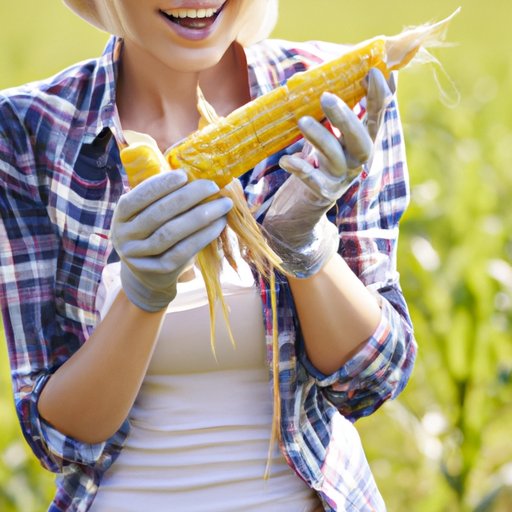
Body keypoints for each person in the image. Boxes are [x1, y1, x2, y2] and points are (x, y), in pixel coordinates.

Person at [0, 1, 417, 510]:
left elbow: (373, 380)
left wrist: (303, 245)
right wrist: (142, 295)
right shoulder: (25, 132)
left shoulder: (339, 101)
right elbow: (57, 440)